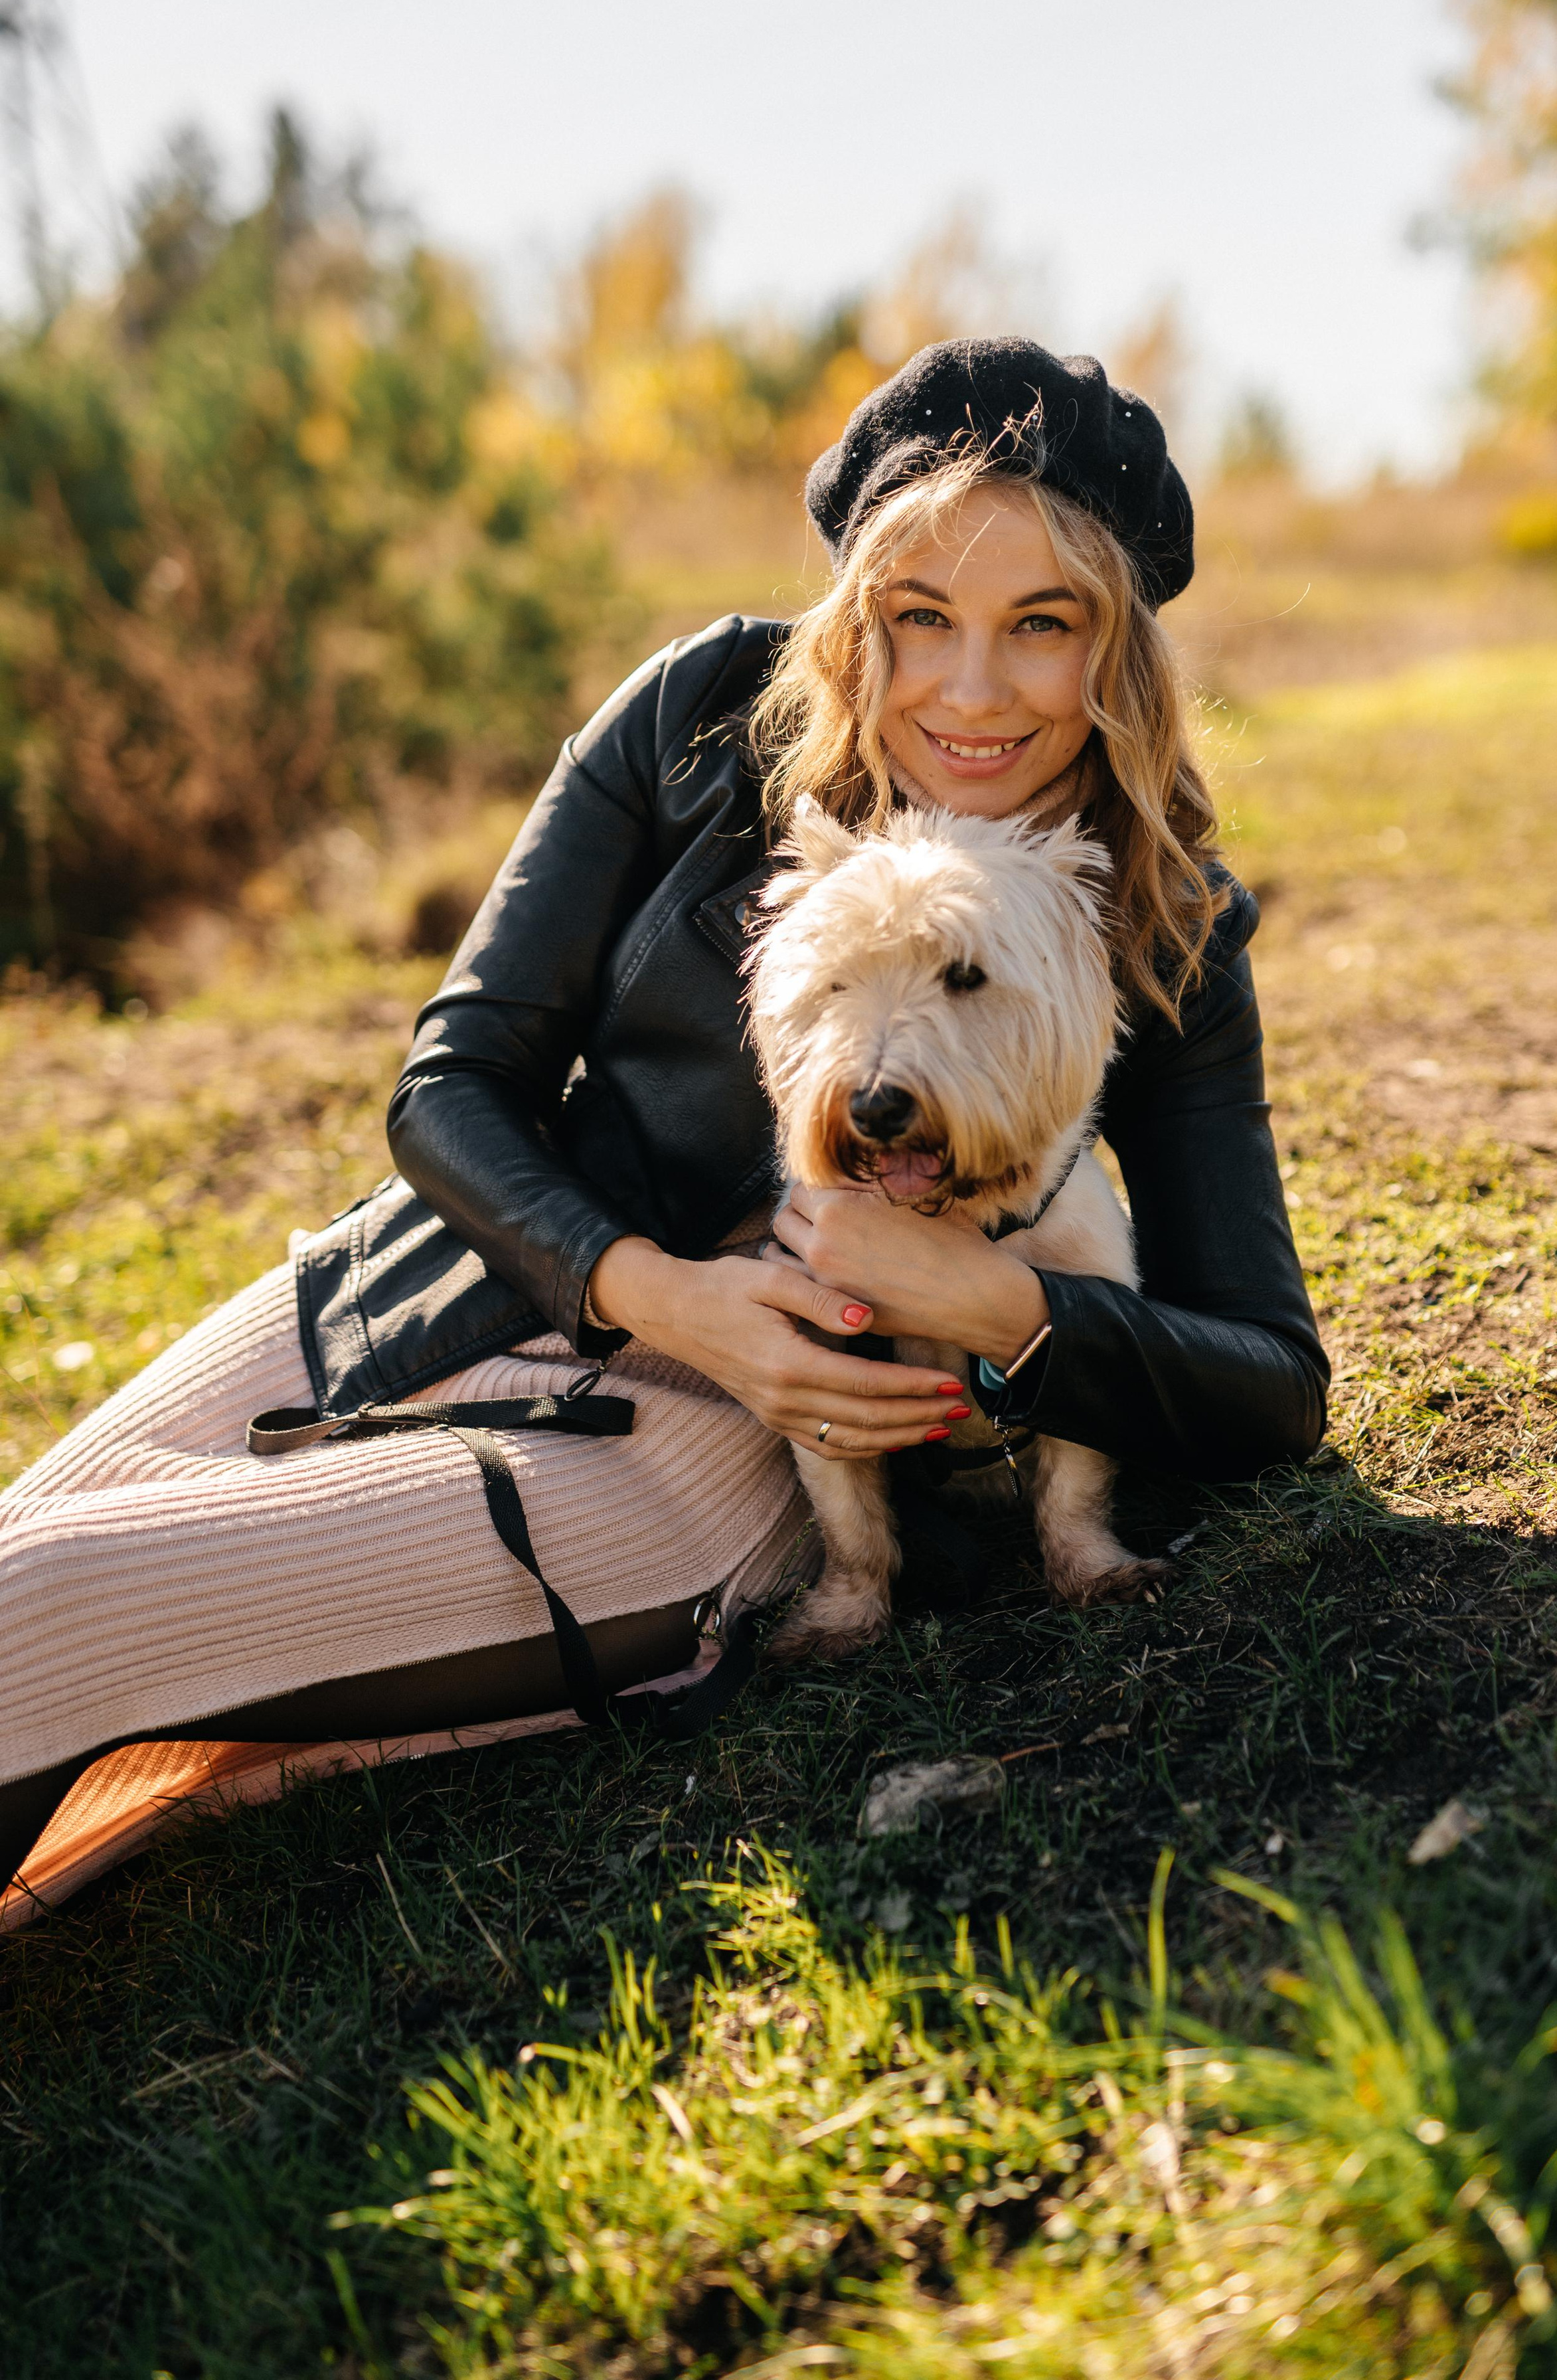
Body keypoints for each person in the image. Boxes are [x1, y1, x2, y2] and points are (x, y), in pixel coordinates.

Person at [0, 339, 1328, 1897]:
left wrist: (1003, 1308)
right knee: (31, 1546)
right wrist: (662, 1291)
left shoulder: (1170, 922)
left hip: (696, 1454)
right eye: (918, 619)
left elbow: (1267, 1383)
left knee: (39, 1613)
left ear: (1116, 650)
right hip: (435, 1284)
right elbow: (453, 1084)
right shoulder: (697, 717)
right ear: (855, 620)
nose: (971, 691)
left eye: (1041, 625)